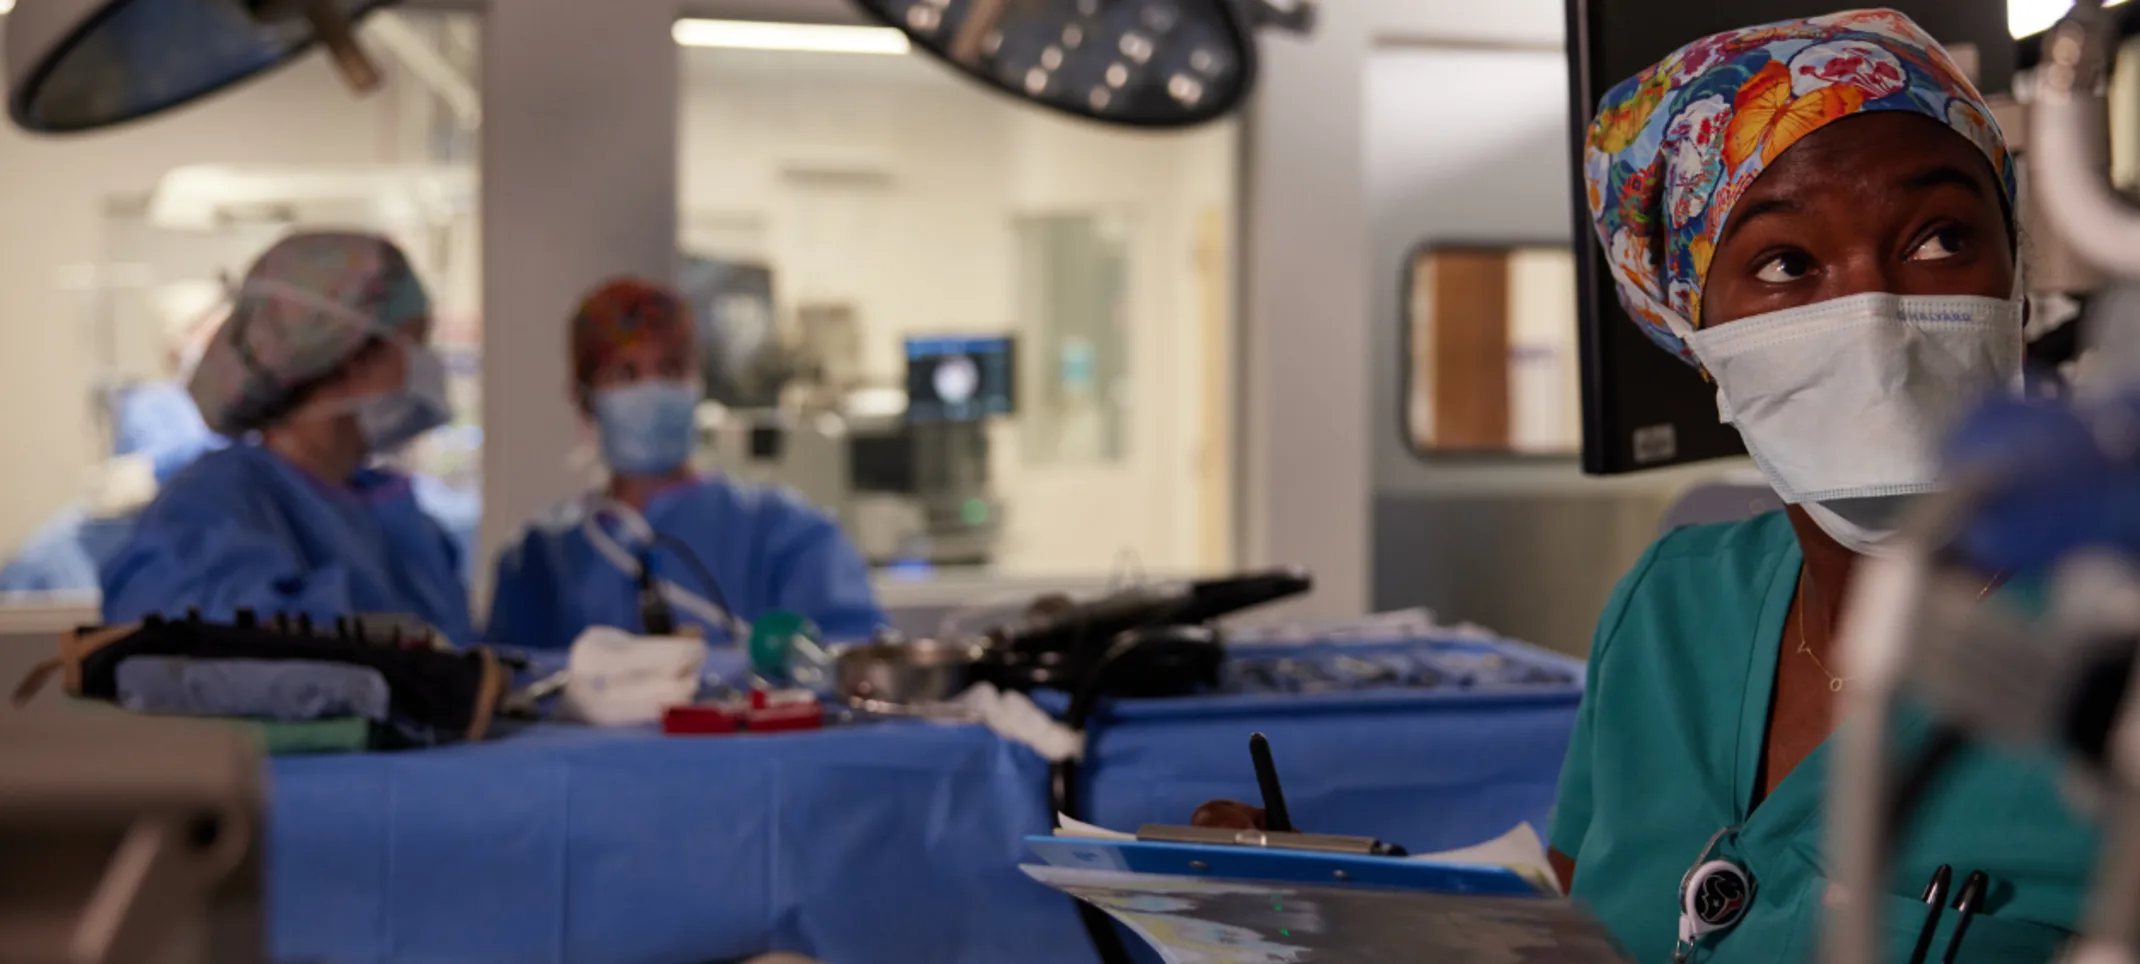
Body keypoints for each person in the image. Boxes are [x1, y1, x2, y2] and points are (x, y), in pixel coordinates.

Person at [1196, 10, 2098, 961]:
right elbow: (1581, 926)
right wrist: (1343, 914)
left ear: (2016, 288)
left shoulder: (2104, 645)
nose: (1870, 315)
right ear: (1697, 336)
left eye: (1939, 239)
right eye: (1788, 263)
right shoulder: (1673, 609)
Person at [100, 231, 474, 645]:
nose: (429, 367)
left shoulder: (396, 519)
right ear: (351, 358)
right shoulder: (214, 513)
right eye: (416, 344)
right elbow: (216, 666)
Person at [485, 278, 884, 650]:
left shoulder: (787, 536)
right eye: (626, 373)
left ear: (697, 381)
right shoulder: (542, 560)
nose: (653, 390)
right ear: (584, 396)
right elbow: (504, 690)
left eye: (671, 369)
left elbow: (852, 666)